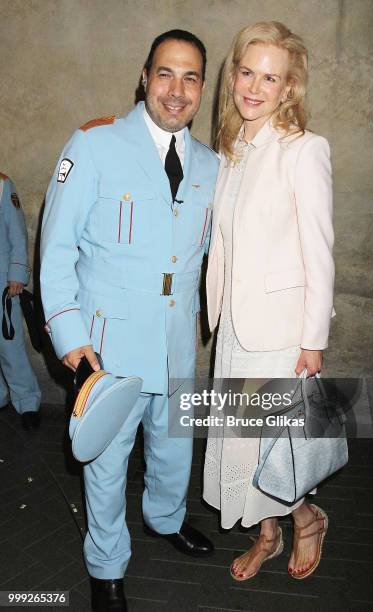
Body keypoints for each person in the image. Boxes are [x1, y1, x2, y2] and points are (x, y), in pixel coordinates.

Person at [41, 30, 219, 611]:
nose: (177, 89)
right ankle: (107, 564)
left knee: (174, 447)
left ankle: (165, 520)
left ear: (201, 88)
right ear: (144, 78)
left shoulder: (211, 167)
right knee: (107, 460)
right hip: (108, 348)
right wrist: (69, 336)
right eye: (166, 73)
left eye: (191, 77)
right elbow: (57, 248)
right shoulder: (94, 145)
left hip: (175, 344)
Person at [203, 21, 335, 581]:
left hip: (279, 335)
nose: (255, 87)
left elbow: (320, 250)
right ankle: (268, 533)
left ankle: (306, 520)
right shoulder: (231, 150)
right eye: (247, 72)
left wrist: (313, 340)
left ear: (289, 88)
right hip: (234, 327)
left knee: (271, 447)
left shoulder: (303, 151)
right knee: (240, 443)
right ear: (233, 75)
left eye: (270, 77)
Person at [0, 172, 41, 430]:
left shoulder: (3, 184)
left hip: (2, 284)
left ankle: (27, 401)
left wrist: (17, 274)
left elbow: (16, 233)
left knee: (9, 346)